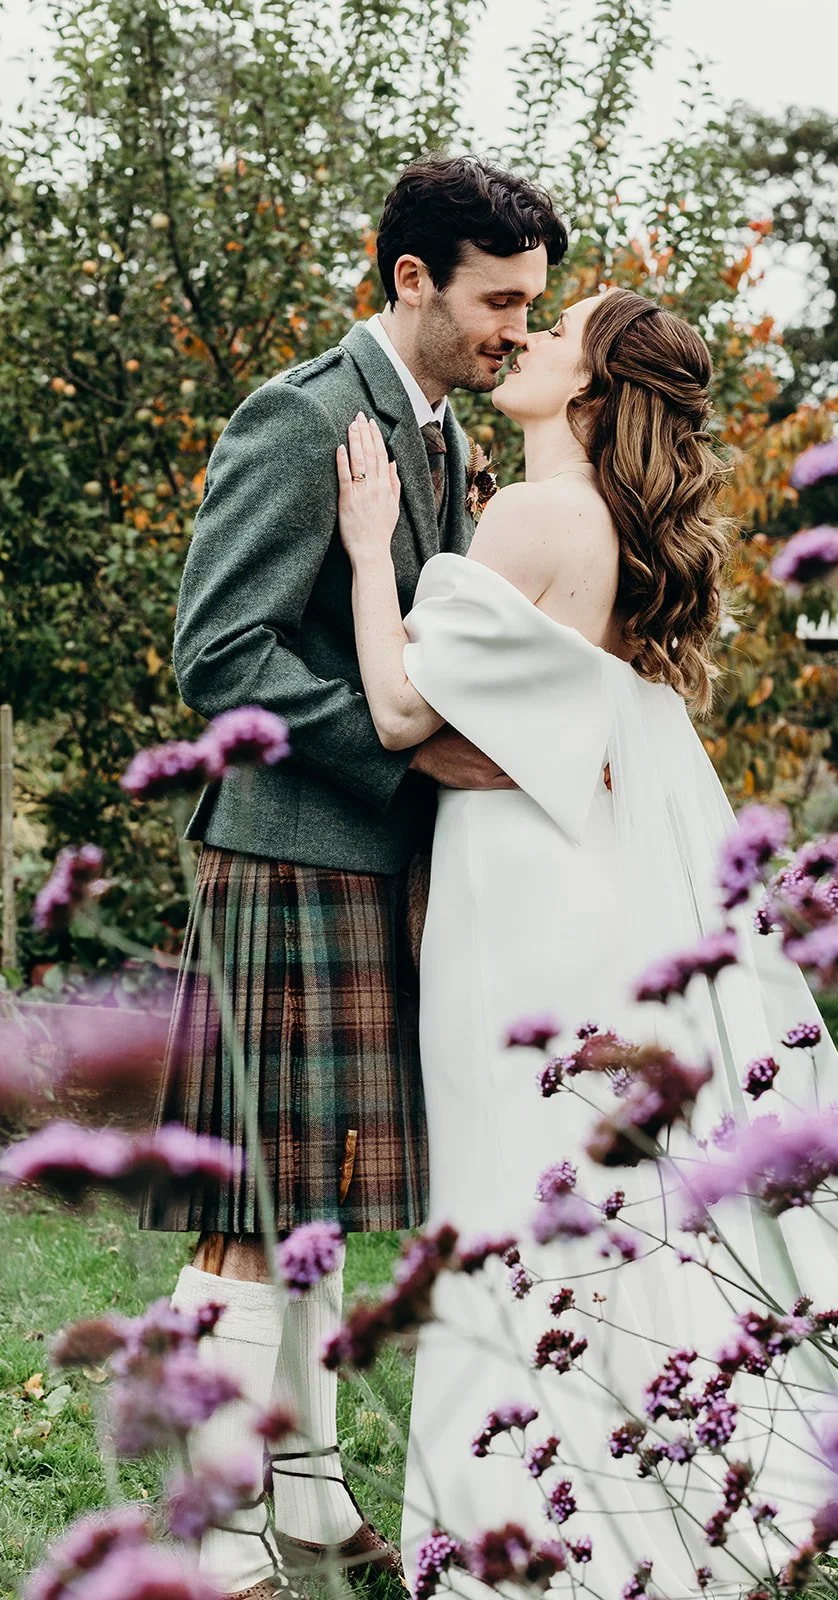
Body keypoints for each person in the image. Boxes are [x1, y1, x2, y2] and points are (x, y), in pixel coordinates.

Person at [336, 288, 838, 1597]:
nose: (525, 340)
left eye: (556, 334)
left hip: (512, 896)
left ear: (591, 391)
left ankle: (528, 1511)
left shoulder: (537, 515)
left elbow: (390, 707)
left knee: (507, 1181)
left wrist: (374, 548)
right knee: (585, 1188)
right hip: (564, 878)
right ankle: (618, 1478)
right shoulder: (604, 532)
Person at [137, 155, 567, 1600]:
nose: (517, 330)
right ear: (410, 280)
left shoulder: (434, 435)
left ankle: (306, 1502)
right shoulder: (307, 414)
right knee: (256, 1207)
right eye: (499, 302)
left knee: (315, 1207)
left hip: (378, 867)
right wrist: (403, 764)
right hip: (290, 854)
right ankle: (202, 1533)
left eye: (530, 306)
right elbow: (220, 654)